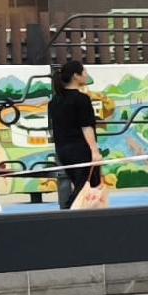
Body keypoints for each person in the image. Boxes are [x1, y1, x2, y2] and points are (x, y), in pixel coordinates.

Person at [47, 60, 103, 208]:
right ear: (76, 76)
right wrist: (94, 151)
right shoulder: (81, 99)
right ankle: (69, 212)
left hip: (63, 150)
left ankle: (78, 213)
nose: (86, 74)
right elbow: (86, 127)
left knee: (83, 186)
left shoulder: (54, 101)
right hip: (81, 150)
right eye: (84, 71)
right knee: (86, 188)